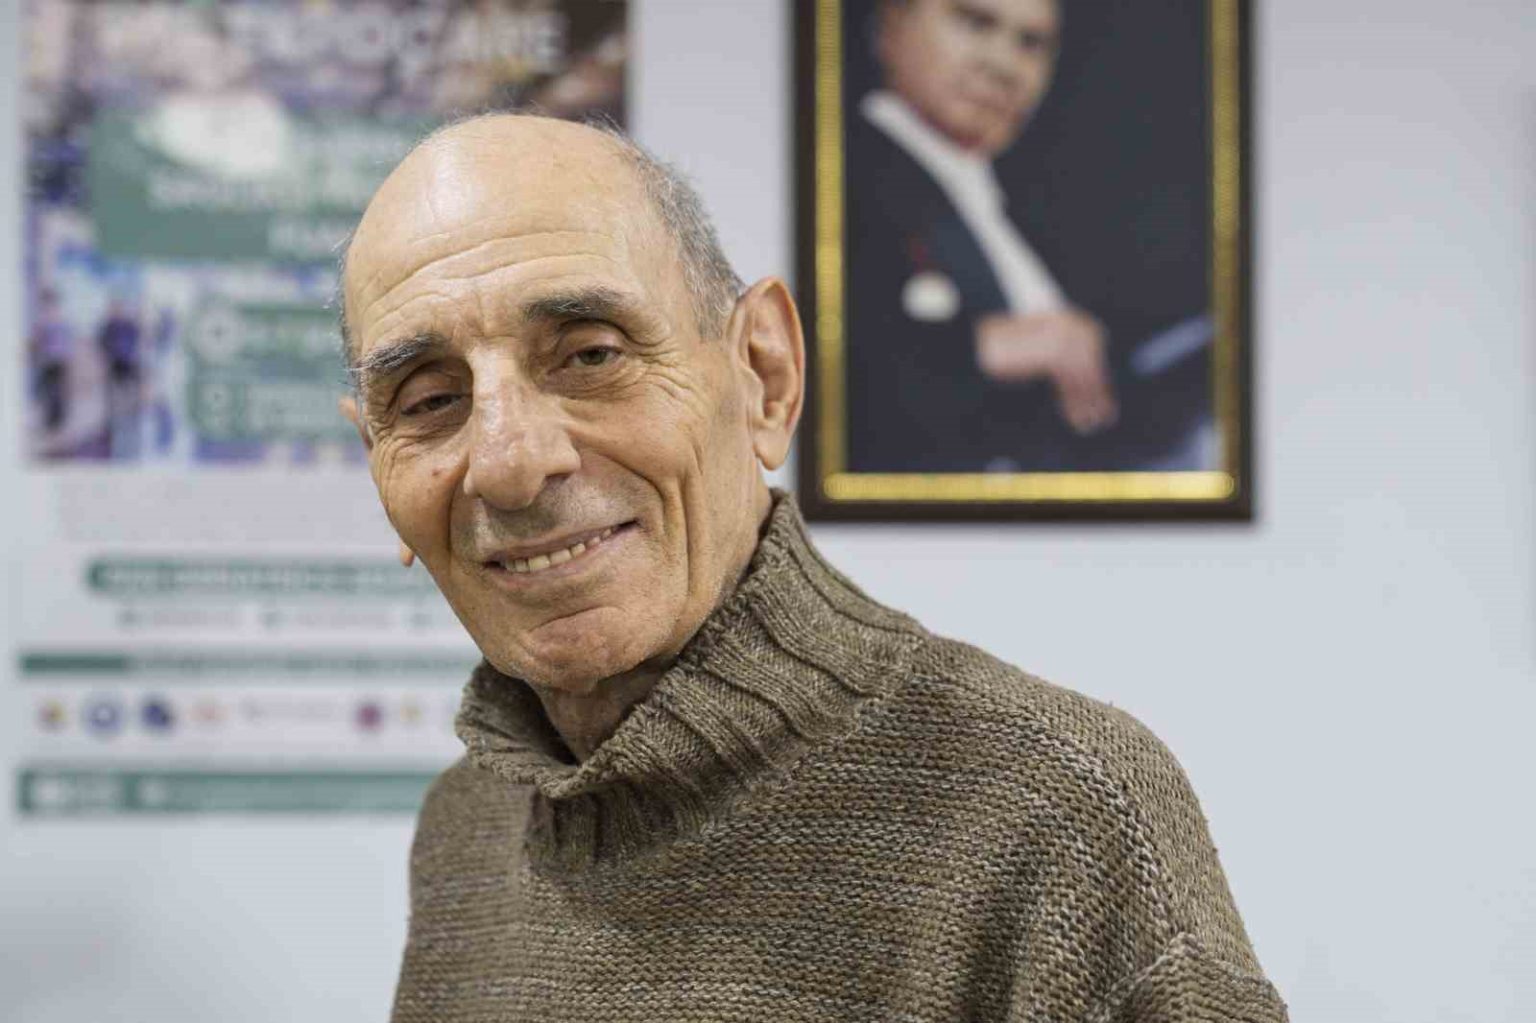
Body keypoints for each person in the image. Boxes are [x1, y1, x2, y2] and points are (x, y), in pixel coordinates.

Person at [338, 113, 1287, 1022]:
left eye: (590, 354)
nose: (508, 463)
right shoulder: (467, 828)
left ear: (765, 373)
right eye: (428, 400)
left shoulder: (1058, 813)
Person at [848, 0, 1210, 472]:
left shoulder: (1018, 204)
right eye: (974, 22)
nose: (1004, 65)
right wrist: (980, 350)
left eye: (1031, 43)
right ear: (890, 26)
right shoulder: (843, 182)